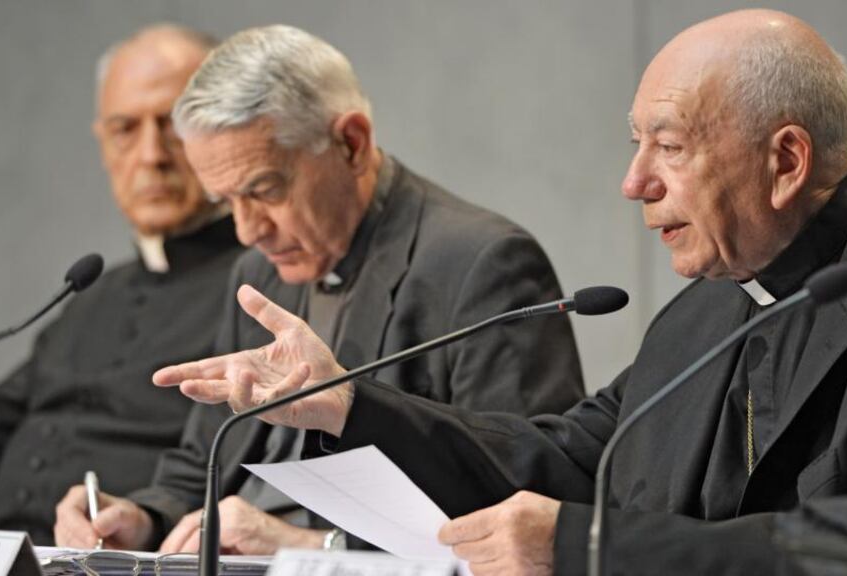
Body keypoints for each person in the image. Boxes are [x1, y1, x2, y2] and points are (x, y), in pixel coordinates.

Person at [140, 9, 847, 574]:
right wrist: (346, 407)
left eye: (670, 146)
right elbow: (568, 460)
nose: (634, 181)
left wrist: (590, 550)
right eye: (634, 143)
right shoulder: (710, 306)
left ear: (786, 162)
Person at [53, 25, 585, 554]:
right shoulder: (258, 272)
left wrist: (317, 548)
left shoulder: (480, 263)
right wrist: (142, 518)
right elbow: (204, 458)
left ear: (351, 144)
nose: (247, 231)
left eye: (264, 191)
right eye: (227, 202)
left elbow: (526, 505)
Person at [0, 24, 243, 544]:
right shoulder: (93, 290)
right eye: (124, 129)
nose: (151, 155)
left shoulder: (261, 283)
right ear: (102, 143)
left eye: (172, 125)